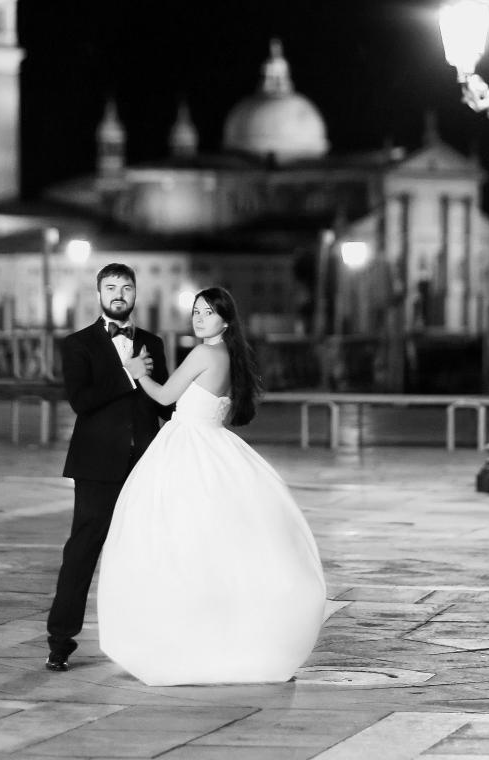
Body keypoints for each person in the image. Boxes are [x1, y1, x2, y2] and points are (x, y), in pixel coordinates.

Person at [97, 286, 327, 686]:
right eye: (196, 311)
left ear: (225, 319)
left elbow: (166, 397)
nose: (199, 318)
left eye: (208, 312)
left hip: (187, 446)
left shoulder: (205, 353)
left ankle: (179, 632)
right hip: (214, 446)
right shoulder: (230, 356)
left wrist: (138, 374)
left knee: (170, 540)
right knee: (217, 543)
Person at [45, 263, 171, 672]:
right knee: (82, 550)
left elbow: (164, 401)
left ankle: (147, 637)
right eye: (111, 287)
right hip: (97, 466)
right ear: (98, 293)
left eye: (127, 287)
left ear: (136, 294)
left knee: (147, 553)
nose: (119, 294)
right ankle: (60, 640)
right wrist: (129, 376)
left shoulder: (153, 341)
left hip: (144, 464)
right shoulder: (77, 344)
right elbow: (81, 401)